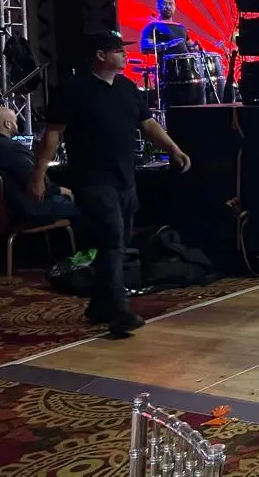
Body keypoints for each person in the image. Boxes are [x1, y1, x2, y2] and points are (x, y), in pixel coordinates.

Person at [29, 30, 192, 336]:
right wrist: (38, 175)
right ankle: (118, 310)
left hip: (125, 178)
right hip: (92, 178)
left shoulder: (127, 88)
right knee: (111, 237)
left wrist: (174, 149)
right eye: (118, 50)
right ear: (100, 55)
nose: (124, 54)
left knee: (118, 241)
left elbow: (148, 124)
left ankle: (99, 304)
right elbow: (53, 134)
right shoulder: (73, 89)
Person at [0, 106, 79, 225]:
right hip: (23, 210)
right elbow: (36, 183)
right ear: (7, 124)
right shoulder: (13, 150)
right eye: (15, 122)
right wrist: (59, 190)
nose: (17, 125)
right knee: (81, 204)